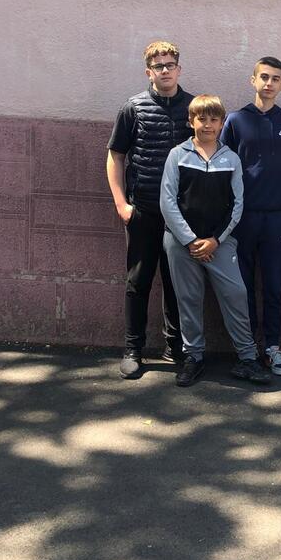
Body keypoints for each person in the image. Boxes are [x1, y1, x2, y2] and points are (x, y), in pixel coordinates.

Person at [159, 96, 270, 388]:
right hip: (180, 243)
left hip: (220, 242)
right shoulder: (177, 155)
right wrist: (190, 240)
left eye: (213, 120)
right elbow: (167, 202)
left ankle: (247, 357)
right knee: (188, 298)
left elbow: (237, 204)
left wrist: (215, 240)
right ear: (191, 121)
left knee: (236, 294)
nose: (207, 125)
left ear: (221, 124)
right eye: (202, 119)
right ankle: (193, 357)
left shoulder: (231, 158)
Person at [222, 57, 281, 377]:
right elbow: (219, 164)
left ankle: (273, 347)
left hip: (276, 218)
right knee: (243, 287)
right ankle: (247, 350)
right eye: (264, 77)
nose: (269, 83)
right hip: (241, 218)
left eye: (275, 78)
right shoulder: (236, 120)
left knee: (275, 285)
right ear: (253, 80)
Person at [106, 40, 193, 379]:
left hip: (181, 214)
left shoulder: (193, 108)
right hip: (142, 209)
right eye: (159, 66)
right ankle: (133, 349)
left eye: (170, 65)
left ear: (179, 69)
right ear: (149, 72)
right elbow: (116, 156)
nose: (165, 70)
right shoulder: (133, 108)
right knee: (138, 281)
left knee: (176, 282)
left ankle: (176, 347)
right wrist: (121, 204)